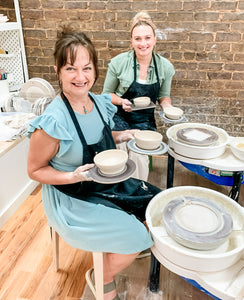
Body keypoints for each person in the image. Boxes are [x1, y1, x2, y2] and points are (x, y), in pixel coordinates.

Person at [26, 28, 160, 300]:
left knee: (156, 205)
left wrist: (121, 135)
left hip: (104, 182)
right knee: (136, 235)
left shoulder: (98, 103)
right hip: (71, 196)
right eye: (70, 68)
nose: (80, 77)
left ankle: (117, 248)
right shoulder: (53, 121)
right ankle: (103, 276)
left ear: (95, 69)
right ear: (58, 70)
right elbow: (35, 170)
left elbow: (96, 135)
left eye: (87, 68)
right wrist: (73, 176)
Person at [103, 11, 175, 181]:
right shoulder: (119, 63)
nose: (143, 43)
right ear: (131, 41)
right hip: (119, 116)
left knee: (138, 152)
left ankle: (137, 190)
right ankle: (118, 189)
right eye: (138, 39)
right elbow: (105, 95)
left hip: (144, 119)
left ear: (155, 39)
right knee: (120, 147)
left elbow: (164, 96)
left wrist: (168, 108)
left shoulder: (165, 67)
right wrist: (121, 101)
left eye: (147, 38)